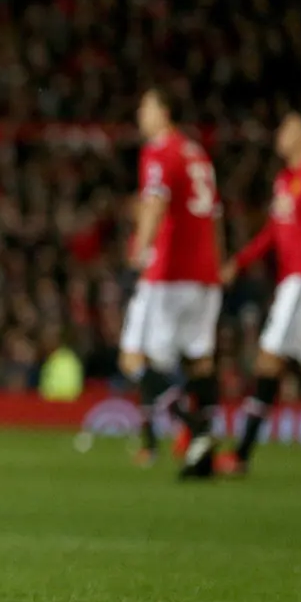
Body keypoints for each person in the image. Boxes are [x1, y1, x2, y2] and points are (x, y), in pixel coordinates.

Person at [219, 112, 301, 482]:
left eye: (288, 128)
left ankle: (240, 456)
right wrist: (239, 262)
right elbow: (273, 232)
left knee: (269, 361)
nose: (281, 134)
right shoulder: (287, 180)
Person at [120, 88, 224, 478]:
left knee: (138, 359)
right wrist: (218, 265)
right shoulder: (197, 154)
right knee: (200, 360)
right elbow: (214, 213)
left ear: (164, 112)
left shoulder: (160, 151)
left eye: (145, 105)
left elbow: (156, 204)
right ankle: (205, 455)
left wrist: (138, 257)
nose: (139, 112)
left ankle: (197, 431)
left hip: (169, 273)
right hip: (205, 274)